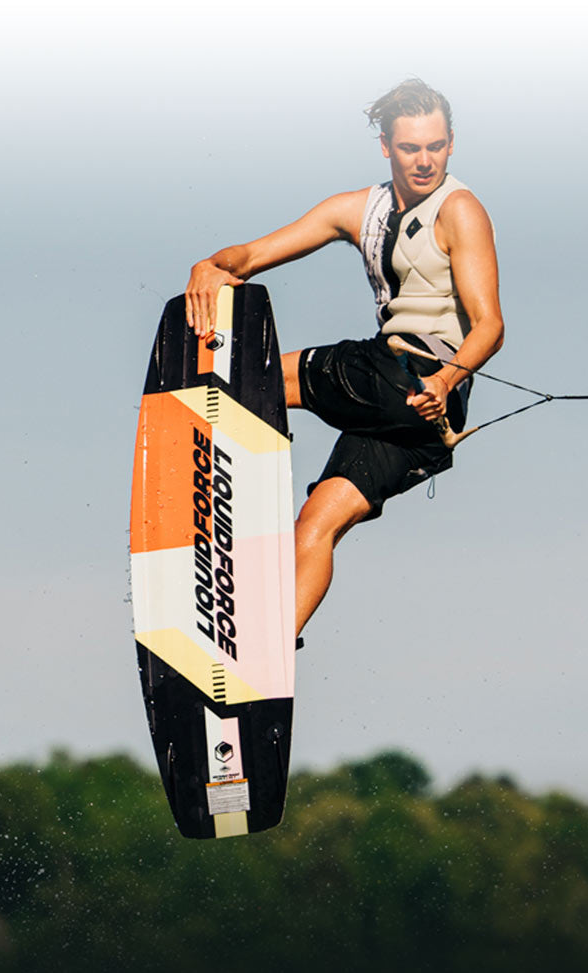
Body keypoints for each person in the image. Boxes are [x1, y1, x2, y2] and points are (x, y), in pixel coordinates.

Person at [185, 78, 504, 638]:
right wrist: (209, 266)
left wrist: (447, 382)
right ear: (386, 146)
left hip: (413, 379)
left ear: (452, 143)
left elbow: (490, 325)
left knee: (251, 378)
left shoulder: (461, 211)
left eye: (435, 146)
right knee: (318, 522)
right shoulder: (359, 210)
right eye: (410, 148)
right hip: (415, 421)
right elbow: (254, 255)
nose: (424, 161)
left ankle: (210, 484)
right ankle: (270, 645)